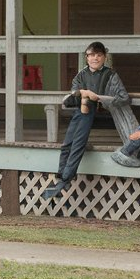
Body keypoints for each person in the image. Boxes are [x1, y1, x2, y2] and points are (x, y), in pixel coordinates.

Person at [42, 41, 131, 199]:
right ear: (86, 57)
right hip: (84, 114)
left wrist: (99, 98)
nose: (95, 58)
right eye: (91, 55)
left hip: (105, 114)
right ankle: (61, 176)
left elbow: (124, 98)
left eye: (98, 55)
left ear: (104, 57)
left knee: (77, 143)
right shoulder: (81, 74)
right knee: (67, 144)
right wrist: (83, 94)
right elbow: (73, 94)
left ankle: (66, 177)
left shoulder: (111, 75)